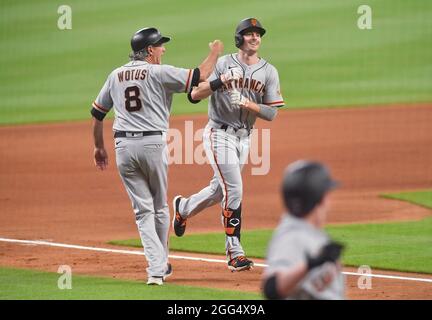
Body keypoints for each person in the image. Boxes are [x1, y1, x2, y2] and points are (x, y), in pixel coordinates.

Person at [90, 27, 223, 285]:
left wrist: (98, 147)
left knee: (142, 212)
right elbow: (200, 76)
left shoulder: (115, 74)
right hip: (152, 145)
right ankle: (157, 269)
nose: (164, 49)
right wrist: (215, 52)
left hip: (123, 149)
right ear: (150, 50)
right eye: (160, 45)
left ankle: (158, 267)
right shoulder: (158, 72)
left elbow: (97, 113)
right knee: (160, 207)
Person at [172, 18, 284, 272]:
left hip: (245, 137)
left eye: (258, 34)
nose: (255, 38)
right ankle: (234, 252)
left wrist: (248, 104)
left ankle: (183, 207)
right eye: (249, 34)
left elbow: (272, 113)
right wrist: (219, 81)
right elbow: (193, 95)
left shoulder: (269, 71)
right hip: (218, 134)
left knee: (220, 189)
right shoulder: (223, 64)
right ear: (239, 39)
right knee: (234, 188)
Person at [262, 160, 345, 300]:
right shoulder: (292, 236)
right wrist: (309, 264)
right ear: (317, 198)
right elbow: (272, 288)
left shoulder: (310, 233)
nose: (328, 202)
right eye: (326, 194)